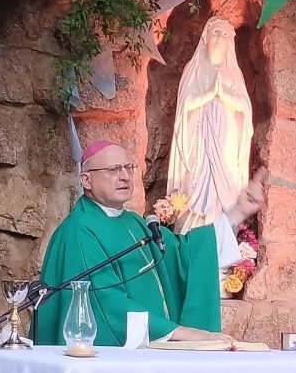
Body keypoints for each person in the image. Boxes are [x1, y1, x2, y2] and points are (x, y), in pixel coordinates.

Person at [34, 140, 267, 346]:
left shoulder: (134, 222)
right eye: (114, 169)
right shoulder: (79, 230)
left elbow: (185, 256)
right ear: (86, 180)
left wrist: (238, 212)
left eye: (129, 167)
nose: (125, 176)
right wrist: (177, 333)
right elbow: (102, 303)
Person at [167, 16, 254, 234]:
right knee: (195, 184)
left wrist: (224, 95)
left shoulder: (234, 73)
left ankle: (221, 241)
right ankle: (192, 237)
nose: (219, 38)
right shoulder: (194, 68)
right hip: (198, 143)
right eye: (215, 32)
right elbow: (185, 105)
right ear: (205, 36)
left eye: (224, 34)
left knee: (222, 191)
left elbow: (245, 108)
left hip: (226, 144)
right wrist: (208, 95)